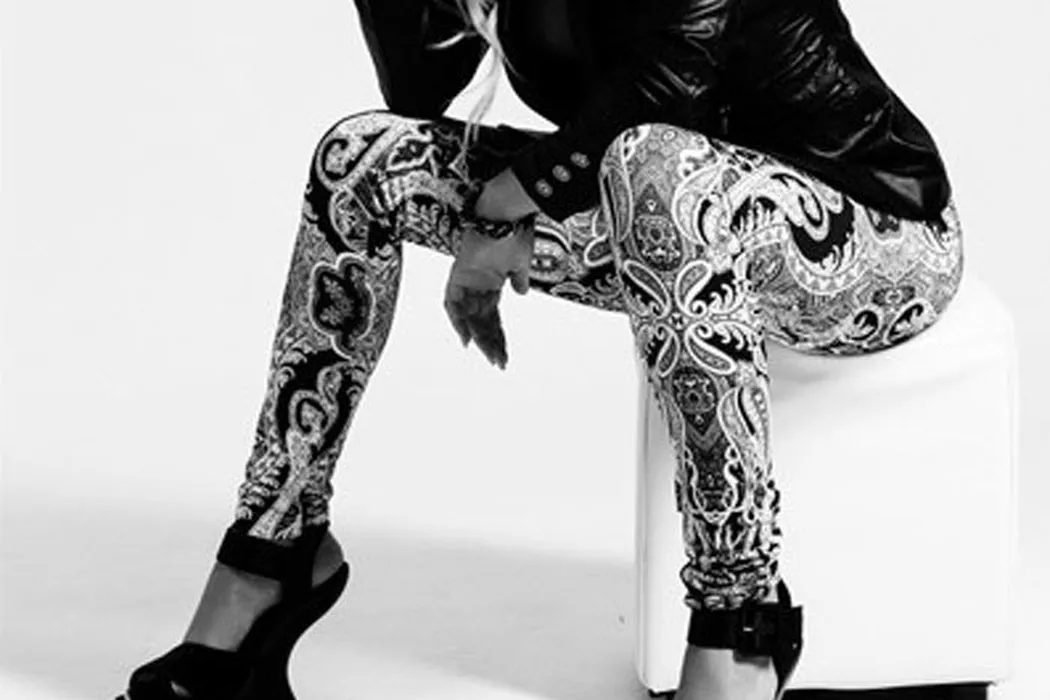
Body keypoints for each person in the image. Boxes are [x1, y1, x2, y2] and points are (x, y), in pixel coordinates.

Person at [114, 0, 965, 699]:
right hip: (656, 220)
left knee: (656, 167)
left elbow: (668, 89)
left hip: (871, 230)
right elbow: (417, 90)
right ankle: (271, 554)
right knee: (358, 163)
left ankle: (740, 622)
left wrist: (502, 212)